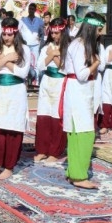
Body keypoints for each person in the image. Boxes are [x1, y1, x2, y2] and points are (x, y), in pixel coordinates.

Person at [0, 17, 31, 179]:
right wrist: (4, 58)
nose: (6, 38)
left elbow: (22, 73)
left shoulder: (24, 49)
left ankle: (9, 166)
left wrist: (7, 62)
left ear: (15, 33)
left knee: (12, 128)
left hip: (15, 92)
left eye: (10, 35)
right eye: (4, 35)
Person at [59, 14, 103, 189]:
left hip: (81, 92)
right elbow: (82, 74)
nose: (100, 34)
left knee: (80, 132)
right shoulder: (79, 46)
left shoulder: (83, 45)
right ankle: (78, 176)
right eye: (99, 30)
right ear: (92, 29)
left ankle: (74, 172)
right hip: (78, 91)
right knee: (83, 133)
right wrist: (96, 63)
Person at [34, 17, 69, 163]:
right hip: (47, 82)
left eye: (57, 33)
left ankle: (55, 151)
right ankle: (42, 149)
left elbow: (66, 68)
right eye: (52, 33)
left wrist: (54, 55)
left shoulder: (69, 48)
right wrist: (51, 54)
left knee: (56, 116)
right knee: (44, 115)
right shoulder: (46, 47)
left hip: (60, 83)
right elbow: (40, 65)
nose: (54, 36)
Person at [20, 3, 43, 85]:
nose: (31, 10)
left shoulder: (40, 21)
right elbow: (18, 32)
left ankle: (35, 83)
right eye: (30, 8)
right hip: (26, 45)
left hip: (36, 45)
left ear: (35, 10)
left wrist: (39, 38)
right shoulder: (23, 20)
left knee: (35, 64)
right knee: (25, 62)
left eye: (33, 9)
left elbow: (42, 32)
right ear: (28, 9)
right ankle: (24, 82)